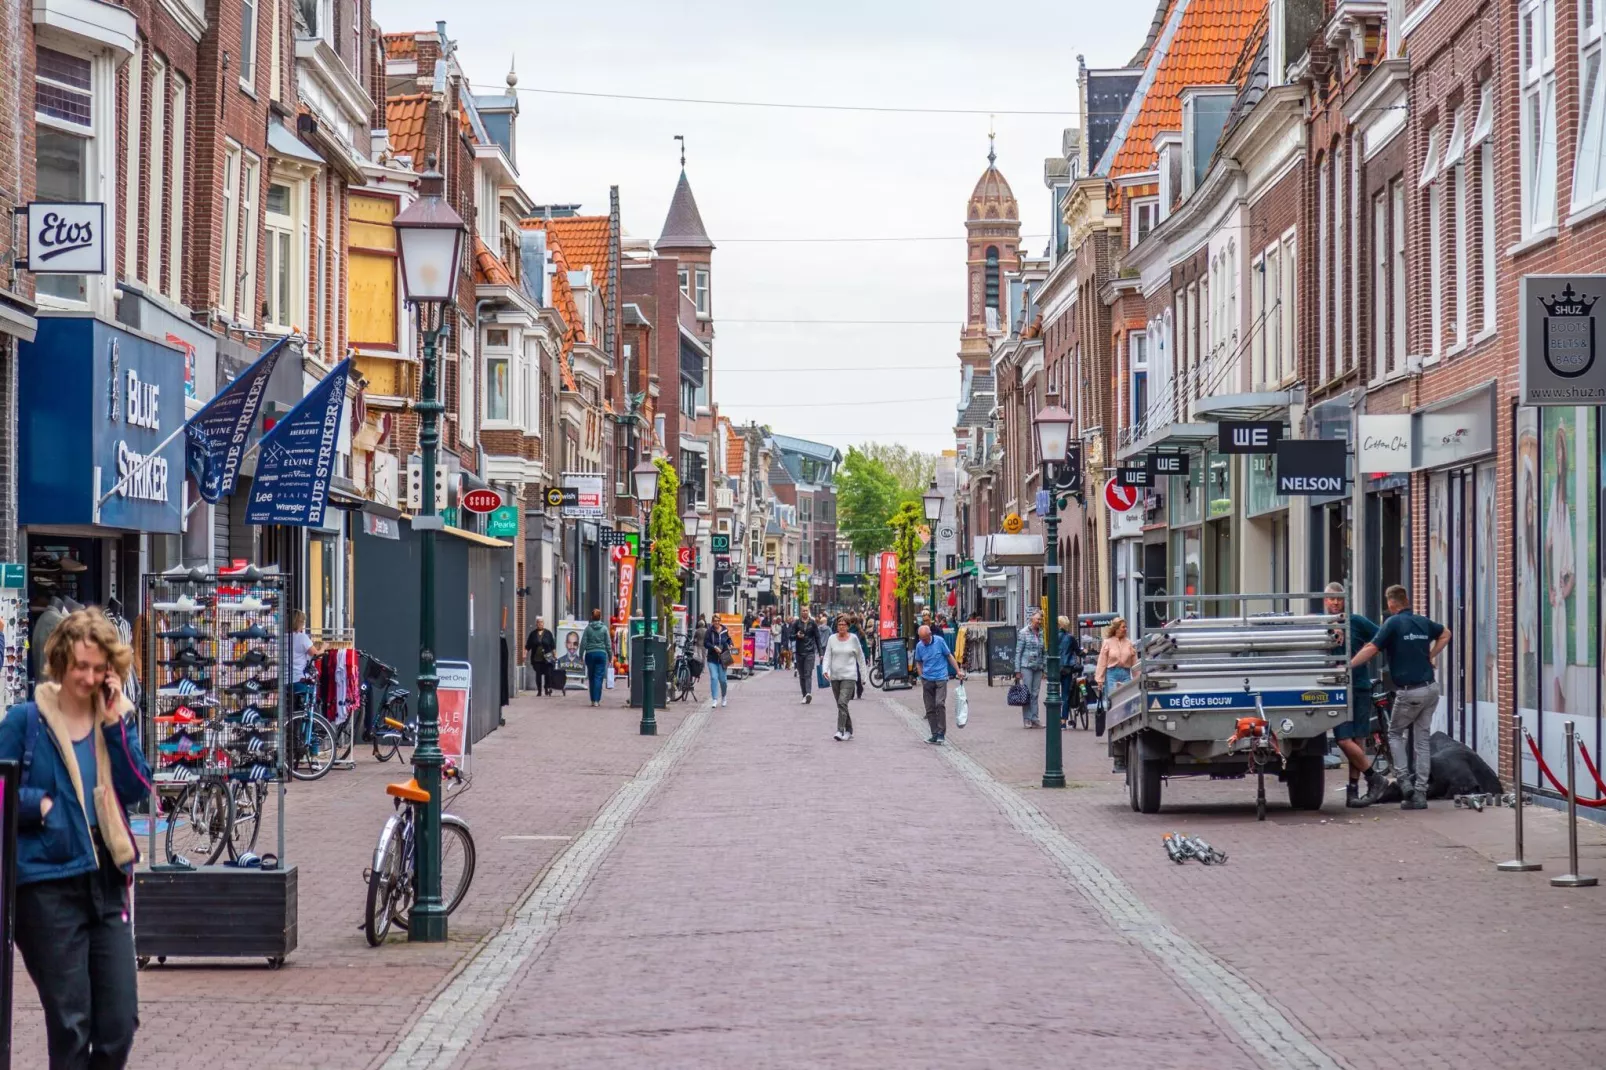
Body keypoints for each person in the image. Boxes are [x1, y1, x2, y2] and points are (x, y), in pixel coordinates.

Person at [0, 608, 151, 1069]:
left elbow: (138, 790)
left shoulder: (115, 721)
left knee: (119, 1023)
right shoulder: (26, 721)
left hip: (105, 880)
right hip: (45, 885)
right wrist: (37, 805)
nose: (87, 677)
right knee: (71, 1024)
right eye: (79, 666)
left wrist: (114, 724)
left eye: (98, 667)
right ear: (61, 661)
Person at [1350, 585, 1450, 810]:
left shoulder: (1393, 623)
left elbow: (1372, 649)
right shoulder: (1423, 622)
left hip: (1409, 691)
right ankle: (1421, 794)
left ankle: (1404, 782)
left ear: (1390, 603)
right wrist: (1431, 655)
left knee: (1394, 733)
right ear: (1406, 600)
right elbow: (1446, 634)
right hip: (1431, 689)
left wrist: (1348, 666)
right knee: (1422, 740)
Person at [1323, 583, 1389, 808]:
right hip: (1335, 688)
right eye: (1331, 599)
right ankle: (1375, 777)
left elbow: (1381, 638)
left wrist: (1366, 654)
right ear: (1325, 600)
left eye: (1339, 599)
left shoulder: (1357, 622)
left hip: (1359, 685)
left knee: (1358, 738)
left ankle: (1353, 790)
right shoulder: (1319, 625)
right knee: (1343, 739)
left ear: (1345, 600)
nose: (1335, 603)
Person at [822, 614, 871, 740]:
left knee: (842, 702)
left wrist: (864, 676)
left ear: (848, 626)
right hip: (835, 676)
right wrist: (825, 670)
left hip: (849, 676)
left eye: (844, 624)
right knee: (841, 704)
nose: (841, 627)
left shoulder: (853, 639)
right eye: (839, 624)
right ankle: (849, 730)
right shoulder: (832, 639)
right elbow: (827, 655)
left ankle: (840, 730)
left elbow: (860, 658)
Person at [913, 623, 963, 744]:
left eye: (925, 639)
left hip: (941, 677)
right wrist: (921, 677)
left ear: (930, 634)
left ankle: (941, 733)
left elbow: (949, 656)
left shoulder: (940, 641)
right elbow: (918, 662)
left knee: (939, 703)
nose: (923, 641)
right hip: (927, 679)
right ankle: (934, 734)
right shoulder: (919, 646)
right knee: (929, 708)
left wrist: (958, 670)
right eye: (921, 639)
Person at [1013, 611, 1046, 728]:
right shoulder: (1023, 633)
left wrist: (1044, 668)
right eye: (1037, 619)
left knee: (1035, 693)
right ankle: (1027, 719)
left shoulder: (1041, 633)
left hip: (1038, 666)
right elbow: (1018, 652)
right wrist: (1017, 670)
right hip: (1026, 666)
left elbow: (1044, 652)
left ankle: (1035, 718)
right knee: (1027, 693)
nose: (1039, 621)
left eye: (1041, 619)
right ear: (1031, 619)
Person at [1096, 617, 1137, 690]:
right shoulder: (1107, 642)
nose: (1125, 629)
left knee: (1126, 697)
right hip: (1112, 674)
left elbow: (1134, 662)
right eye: (1123, 627)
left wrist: (1137, 678)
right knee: (1114, 698)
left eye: (1126, 627)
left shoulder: (1129, 643)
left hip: (1126, 674)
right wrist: (1100, 679)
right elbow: (1102, 662)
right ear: (1116, 629)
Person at [580, 609, 611, 707]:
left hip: (590, 654)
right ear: (600, 617)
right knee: (599, 677)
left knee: (591, 677)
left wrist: (581, 655)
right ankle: (597, 700)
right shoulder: (604, 628)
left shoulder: (588, 628)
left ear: (591, 617)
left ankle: (592, 700)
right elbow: (608, 644)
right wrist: (610, 655)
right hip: (601, 654)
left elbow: (583, 643)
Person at [1056, 615, 1083, 730]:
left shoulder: (1052, 637)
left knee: (1054, 695)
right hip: (1067, 669)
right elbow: (1078, 652)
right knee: (1065, 695)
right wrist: (1084, 651)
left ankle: (1055, 718)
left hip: (1055, 669)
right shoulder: (1070, 638)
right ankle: (1063, 722)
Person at [792, 612, 821, 704]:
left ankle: (808, 693)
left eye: (805, 610)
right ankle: (804, 695)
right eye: (803, 610)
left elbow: (817, 637)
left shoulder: (813, 623)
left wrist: (821, 653)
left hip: (810, 652)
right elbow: (791, 636)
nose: (804, 612)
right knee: (802, 675)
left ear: (808, 612)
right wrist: (796, 635)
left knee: (808, 673)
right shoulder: (796, 623)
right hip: (799, 652)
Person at [290, 609, 324, 684]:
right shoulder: (302, 637)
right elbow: (317, 655)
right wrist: (324, 647)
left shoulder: (282, 637)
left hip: (283, 680)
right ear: (300, 623)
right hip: (298, 679)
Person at [705, 619, 733, 707]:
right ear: (712, 621)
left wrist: (731, 644)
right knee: (714, 678)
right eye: (714, 621)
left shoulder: (725, 630)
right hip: (712, 659)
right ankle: (714, 699)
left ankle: (724, 697)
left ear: (720, 621)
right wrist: (714, 647)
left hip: (723, 659)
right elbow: (705, 643)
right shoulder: (709, 631)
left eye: (718, 621)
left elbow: (729, 640)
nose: (716, 622)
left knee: (723, 680)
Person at [525, 618, 556, 696]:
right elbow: (528, 646)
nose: (540, 624)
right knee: (538, 674)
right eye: (538, 622)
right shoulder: (533, 634)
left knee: (548, 673)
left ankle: (546, 688)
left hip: (547, 657)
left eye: (541, 622)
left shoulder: (548, 633)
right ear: (536, 624)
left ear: (543, 623)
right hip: (537, 658)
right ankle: (539, 690)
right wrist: (524, 654)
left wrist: (555, 655)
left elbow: (552, 645)